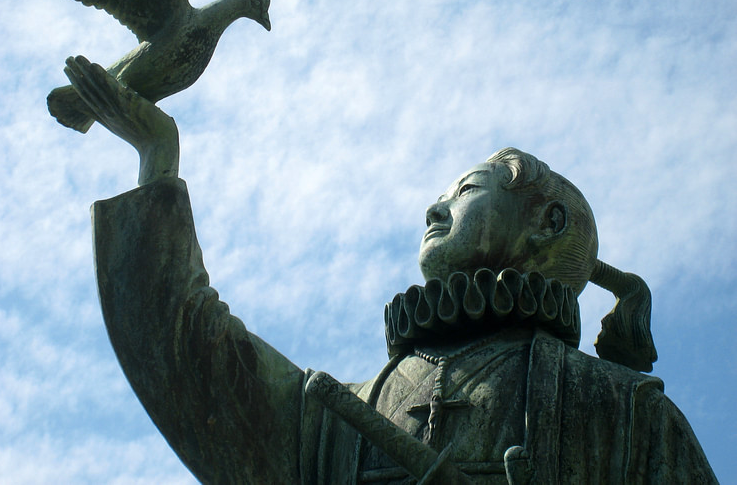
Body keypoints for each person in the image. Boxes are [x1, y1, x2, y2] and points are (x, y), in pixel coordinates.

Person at [65, 56, 716, 484]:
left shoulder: (624, 414)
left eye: (465, 188)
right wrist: (157, 161)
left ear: (544, 221)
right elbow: (195, 363)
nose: (435, 205)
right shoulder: (339, 415)